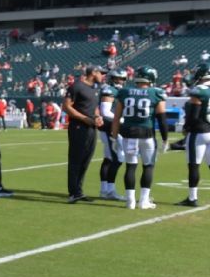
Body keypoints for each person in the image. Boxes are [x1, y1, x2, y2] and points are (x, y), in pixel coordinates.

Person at [110, 66, 167, 210]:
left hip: (128, 134)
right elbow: (162, 119)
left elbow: (116, 118)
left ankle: (130, 201)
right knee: (148, 166)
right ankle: (143, 201)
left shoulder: (125, 91)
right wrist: (165, 139)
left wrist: (114, 137)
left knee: (130, 166)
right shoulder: (156, 93)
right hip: (147, 134)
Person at [64, 66, 105, 202]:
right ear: (93, 73)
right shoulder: (77, 86)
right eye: (101, 73)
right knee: (76, 160)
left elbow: (94, 109)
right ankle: (73, 192)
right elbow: (67, 106)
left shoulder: (94, 89)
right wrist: (85, 119)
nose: (103, 76)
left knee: (86, 160)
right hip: (78, 127)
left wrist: (98, 117)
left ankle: (79, 191)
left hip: (91, 128)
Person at [179, 84, 210, 207]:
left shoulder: (200, 90)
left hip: (198, 132)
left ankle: (192, 198)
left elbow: (194, 115)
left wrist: (186, 127)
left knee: (194, 166)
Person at [97, 69, 126, 200]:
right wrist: (123, 120)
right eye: (117, 79)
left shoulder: (115, 90)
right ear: (111, 79)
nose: (120, 81)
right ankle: (110, 190)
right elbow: (105, 111)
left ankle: (105, 190)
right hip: (109, 128)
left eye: (122, 79)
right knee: (117, 159)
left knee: (109, 158)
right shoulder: (109, 90)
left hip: (111, 127)